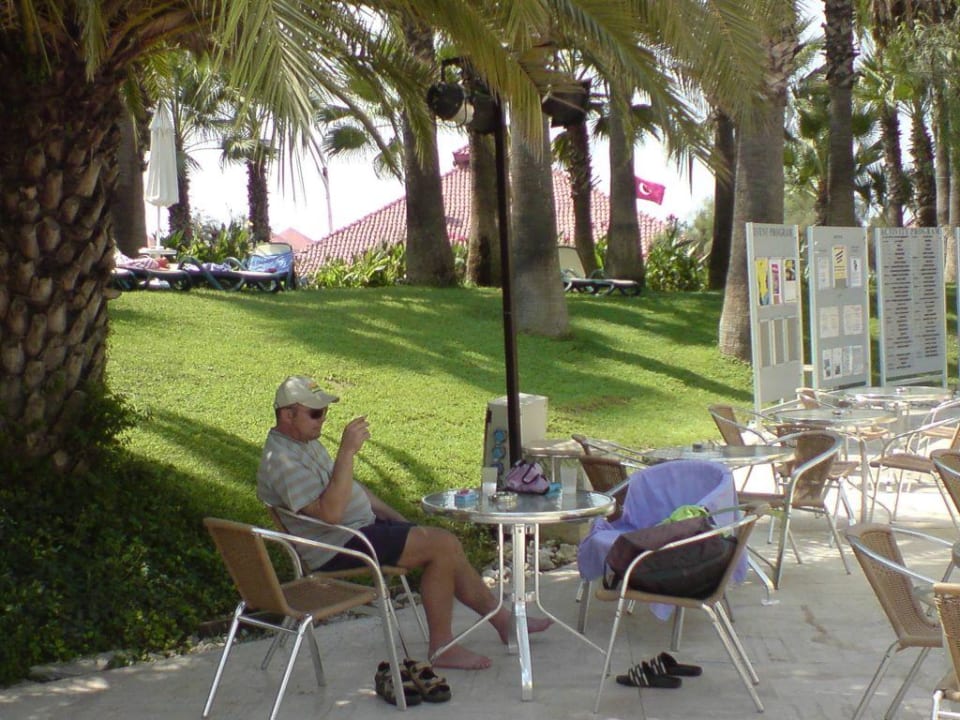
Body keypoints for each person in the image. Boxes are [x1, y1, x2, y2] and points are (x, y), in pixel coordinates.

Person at [257, 375, 551, 670]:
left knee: (445, 543)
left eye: (324, 412)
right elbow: (331, 513)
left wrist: (398, 520)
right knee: (441, 545)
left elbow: (347, 487)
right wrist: (347, 451)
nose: (322, 420)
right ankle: (444, 647)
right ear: (287, 414)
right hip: (338, 545)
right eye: (315, 413)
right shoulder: (281, 460)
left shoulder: (303, 442)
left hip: (357, 531)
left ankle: (502, 622)